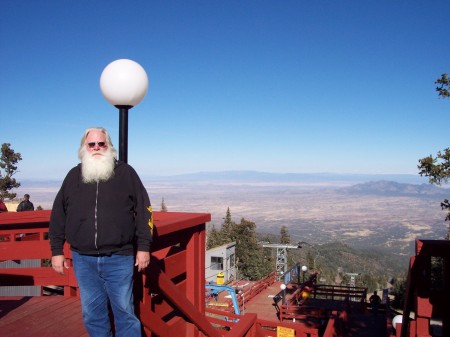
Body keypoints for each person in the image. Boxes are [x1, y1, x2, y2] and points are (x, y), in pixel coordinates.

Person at [49, 127, 153, 337]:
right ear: (84, 148)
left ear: (109, 146)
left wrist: (144, 247)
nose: (96, 148)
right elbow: (58, 214)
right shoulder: (73, 176)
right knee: (92, 314)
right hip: (83, 259)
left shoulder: (125, 173)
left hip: (119, 257)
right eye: (91, 144)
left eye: (101, 144)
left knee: (125, 312)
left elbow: (144, 210)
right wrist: (56, 250)